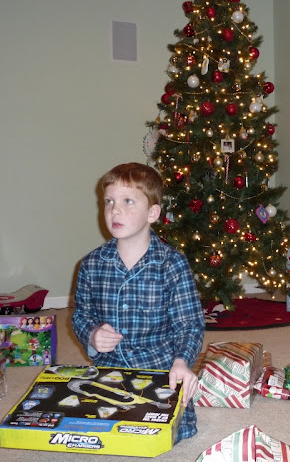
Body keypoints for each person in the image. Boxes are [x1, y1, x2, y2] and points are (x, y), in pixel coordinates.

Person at [71, 162, 205, 442]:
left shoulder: (172, 264)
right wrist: (92, 335)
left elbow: (189, 324)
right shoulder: (91, 264)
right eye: (109, 201)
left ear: (152, 213)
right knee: (83, 422)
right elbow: (81, 315)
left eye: (128, 201)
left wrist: (182, 362)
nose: (115, 210)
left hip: (159, 368)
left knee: (170, 430)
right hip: (109, 370)